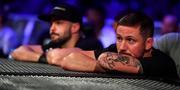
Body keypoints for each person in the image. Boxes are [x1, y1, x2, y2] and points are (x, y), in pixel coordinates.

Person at [46, 12, 178, 78]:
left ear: (148, 43)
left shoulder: (162, 63)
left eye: (131, 40)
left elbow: (106, 59)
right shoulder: (117, 49)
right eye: (119, 38)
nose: (122, 47)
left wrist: (103, 62)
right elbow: (69, 58)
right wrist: (107, 65)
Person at [11, 4, 103, 63]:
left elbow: (58, 56)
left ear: (75, 27)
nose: (52, 29)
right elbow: (18, 51)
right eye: (51, 24)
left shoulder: (91, 43)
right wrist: (44, 58)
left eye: (58, 23)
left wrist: (37, 57)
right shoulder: (57, 44)